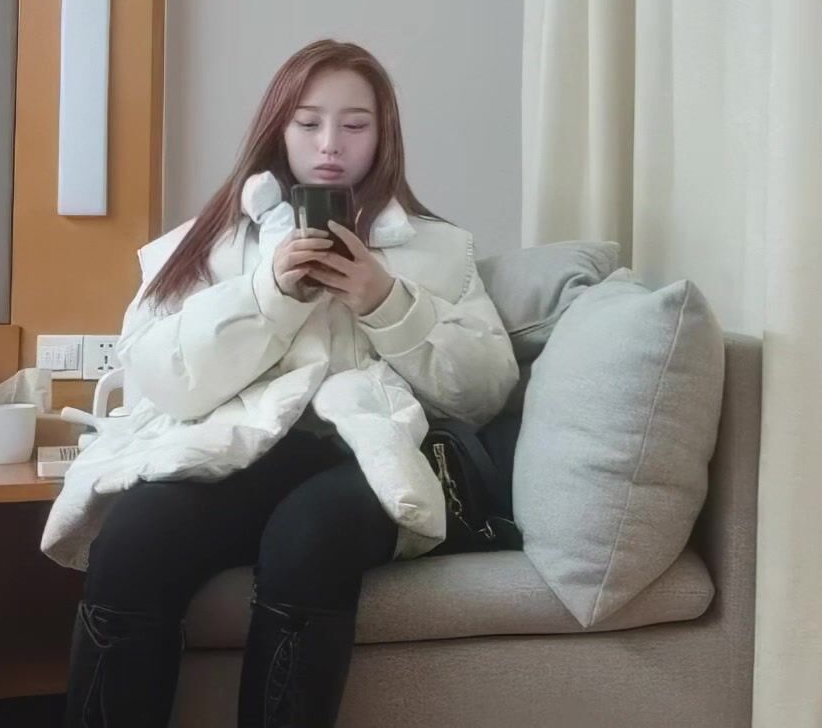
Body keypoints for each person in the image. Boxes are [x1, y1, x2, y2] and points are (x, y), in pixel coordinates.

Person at [42, 40, 518, 727]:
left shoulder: (437, 248)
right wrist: (269, 295)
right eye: (308, 123)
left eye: (355, 125)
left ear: (383, 135)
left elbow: (485, 392)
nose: (331, 145)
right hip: (250, 447)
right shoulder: (206, 244)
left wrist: (387, 301)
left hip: (372, 452)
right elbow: (160, 380)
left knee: (309, 536)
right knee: (134, 538)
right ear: (278, 128)